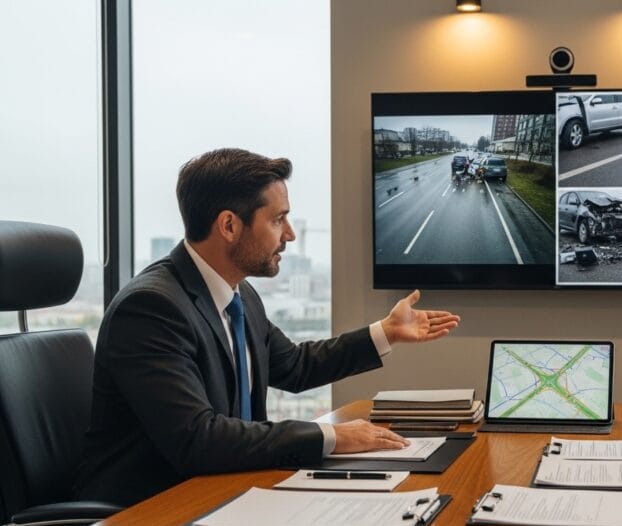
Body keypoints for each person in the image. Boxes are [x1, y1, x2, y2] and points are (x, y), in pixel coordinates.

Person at [76, 148, 460, 506]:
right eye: (278, 219)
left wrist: (386, 331)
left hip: (225, 492)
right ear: (229, 225)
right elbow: (196, 438)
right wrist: (332, 436)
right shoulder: (152, 308)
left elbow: (294, 366)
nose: (289, 234)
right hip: (151, 512)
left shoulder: (238, 295)